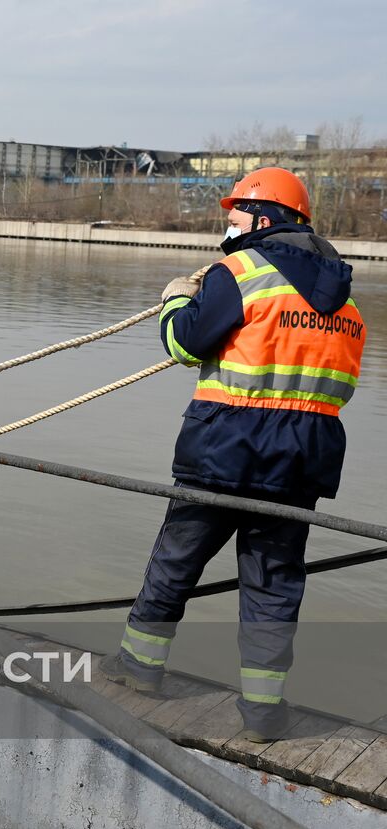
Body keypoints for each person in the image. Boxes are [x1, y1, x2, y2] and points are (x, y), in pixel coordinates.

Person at [101, 167, 366, 743]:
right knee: (273, 583)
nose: (228, 225)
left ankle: (139, 669)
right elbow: (339, 389)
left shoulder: (240, 272)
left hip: (224, 448)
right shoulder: (345, 301)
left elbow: (184, 344)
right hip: (299, 462)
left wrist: (175, 301)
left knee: (177, 560)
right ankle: (265, 713)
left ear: (263, 218)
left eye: (235, 215)